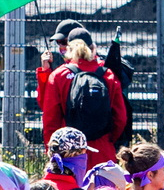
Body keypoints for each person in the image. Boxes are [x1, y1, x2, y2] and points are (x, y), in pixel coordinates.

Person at [41, 36, 128, 169]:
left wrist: (52, 148)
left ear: (69, 49)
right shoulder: (108, 75)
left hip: (68, 153)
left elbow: (50, 118)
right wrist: (108, 139)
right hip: (102, 150)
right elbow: (120, 118)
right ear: (93, 49)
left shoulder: (59, 75)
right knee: (104, 188)